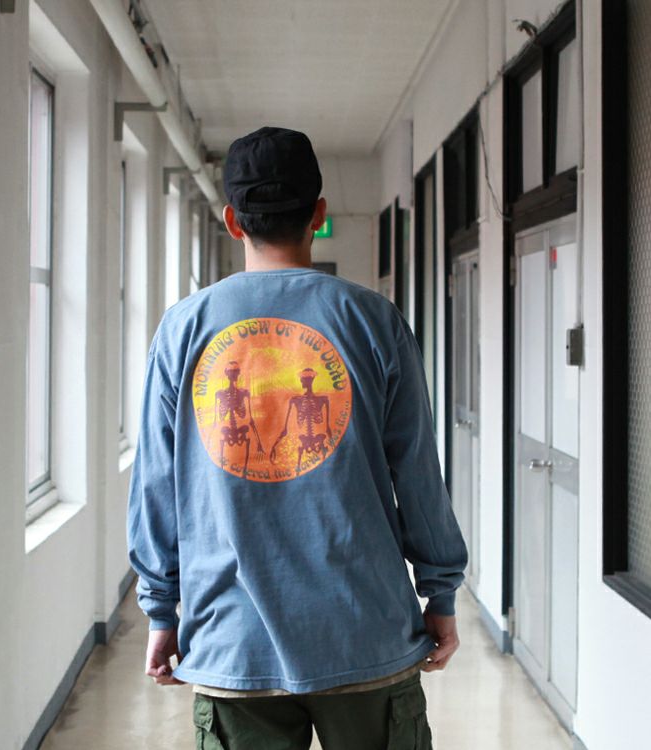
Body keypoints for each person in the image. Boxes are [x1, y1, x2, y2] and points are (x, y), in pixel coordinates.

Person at [126, 126, 469, 750]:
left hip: (232, 640)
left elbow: (156, 483)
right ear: (319, 214)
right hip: (365, 632)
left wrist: (160, 610)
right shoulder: (374, 321)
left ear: (233, 221)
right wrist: (439, 593)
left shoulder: (183, 329)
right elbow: (418, 471)